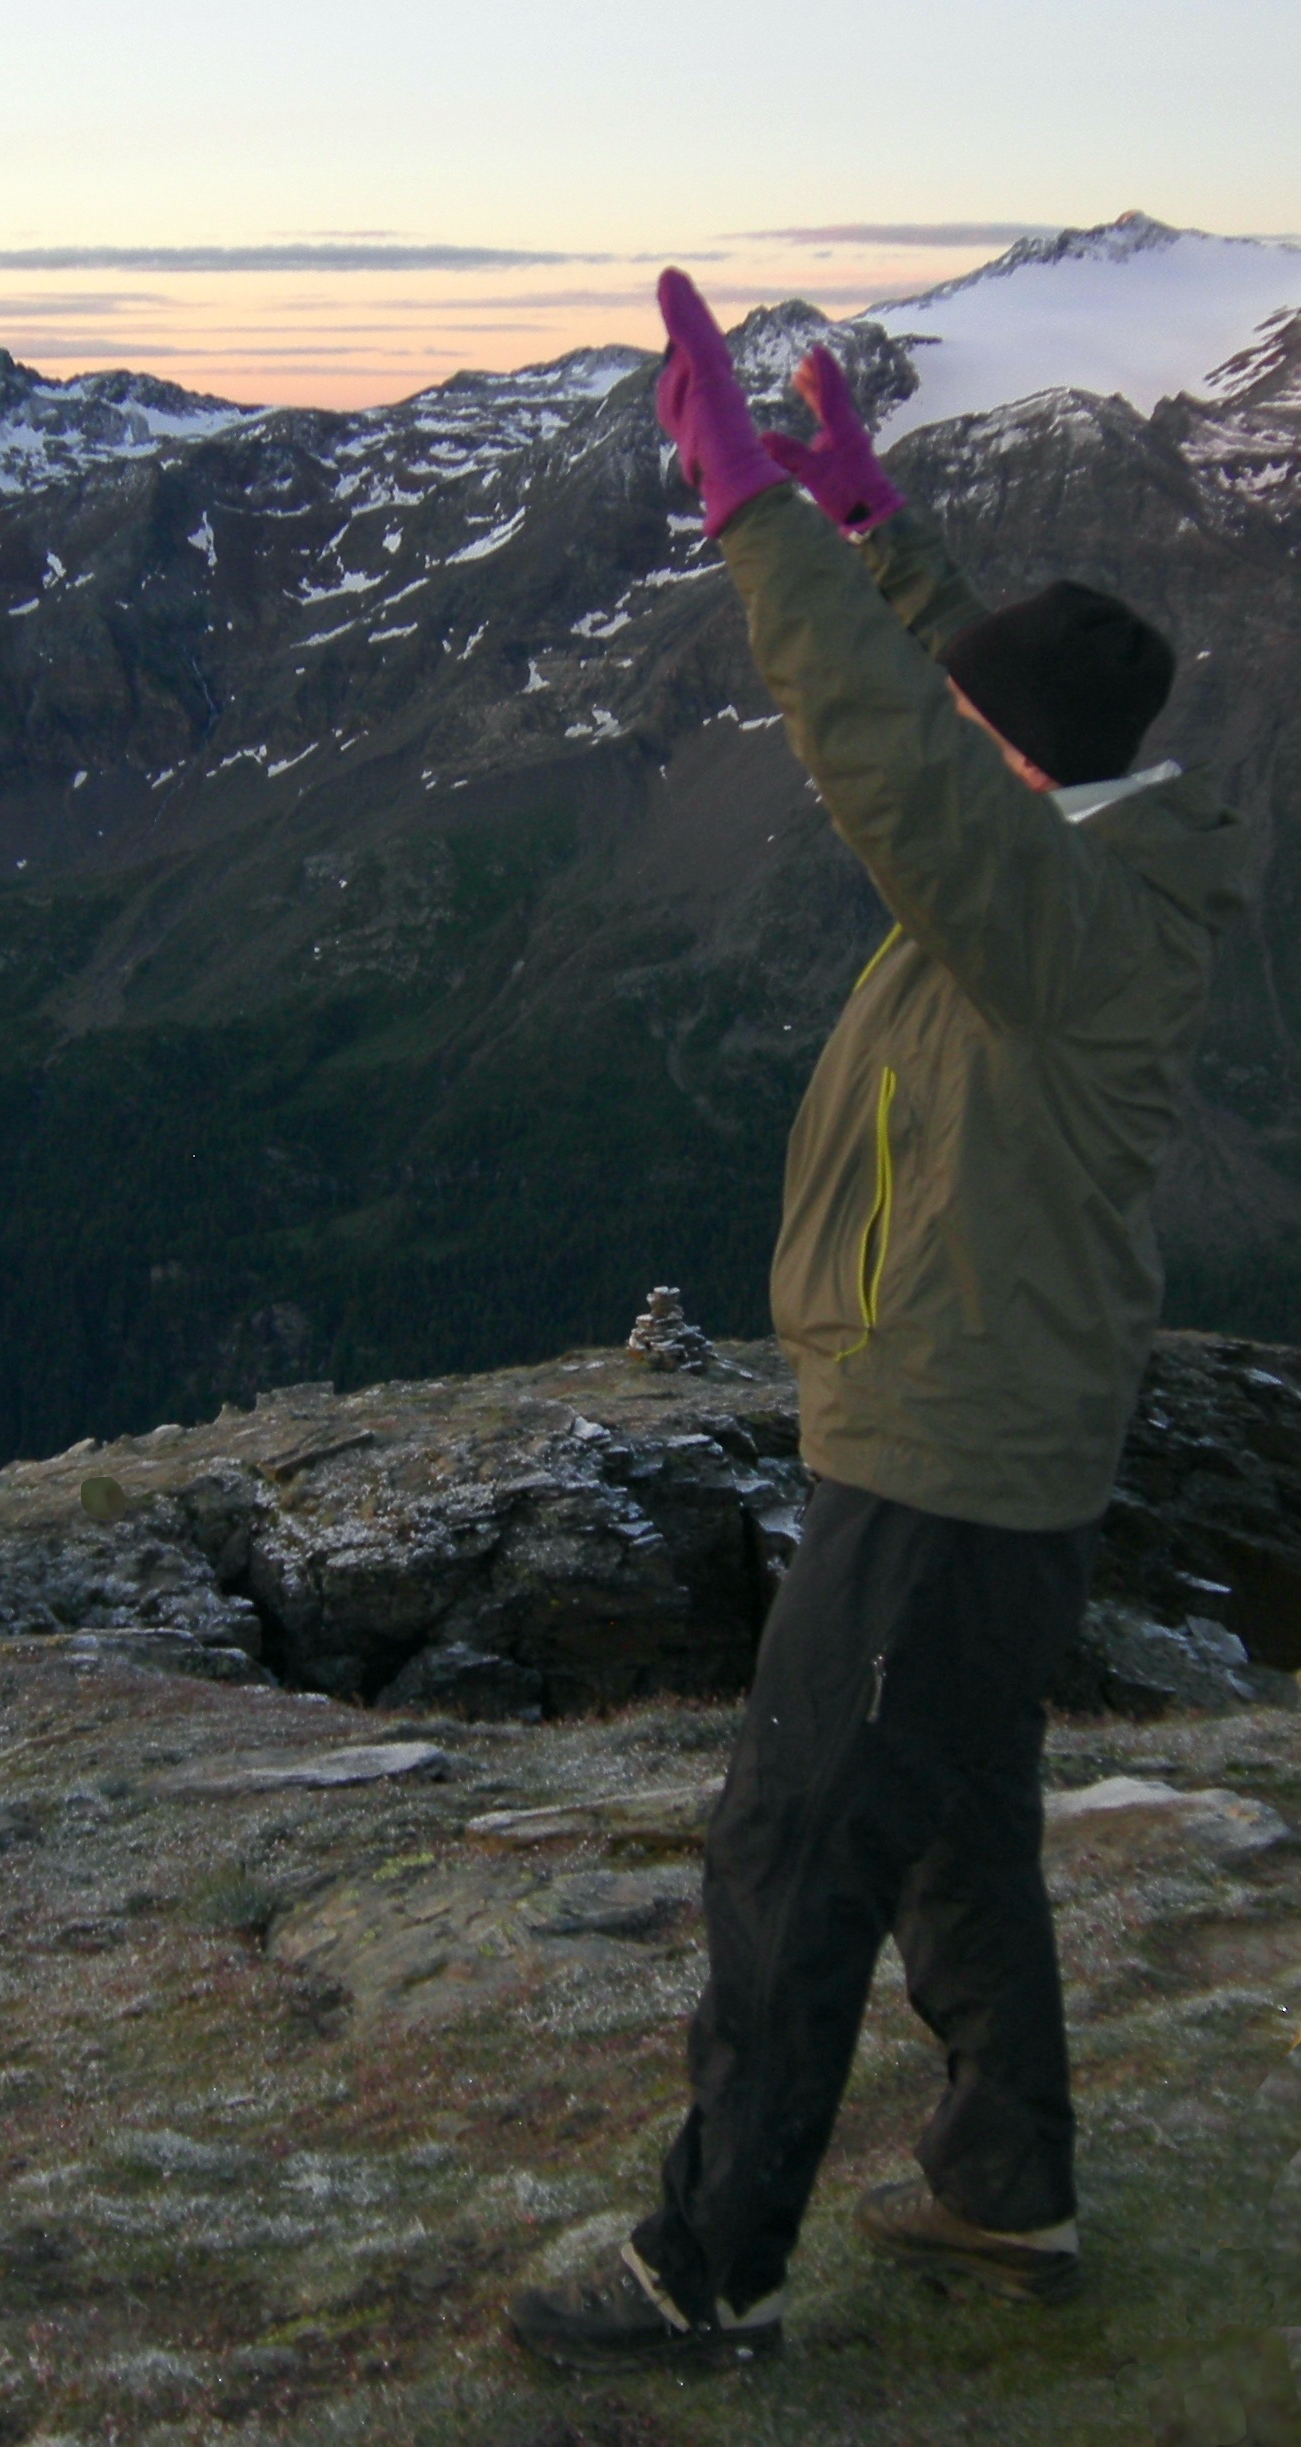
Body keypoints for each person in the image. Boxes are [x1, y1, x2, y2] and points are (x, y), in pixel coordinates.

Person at [508, 270, 1253, 2375]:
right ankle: (1003, 2191)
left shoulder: (1062, 917)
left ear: (1027, 765)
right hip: (989, 1440)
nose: (973, 744)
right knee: (946, 1826)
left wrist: (753, 523)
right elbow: (979, 723)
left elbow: (896, 767)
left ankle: (698, 2273)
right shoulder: (1105, 842)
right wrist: (883, 539)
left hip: (942, 1452)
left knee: (795, 1845)